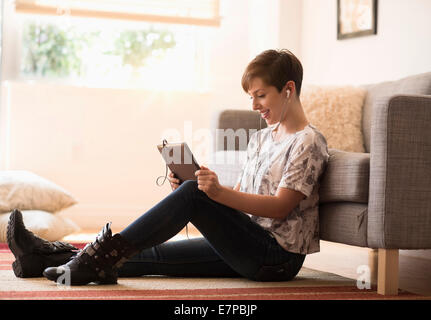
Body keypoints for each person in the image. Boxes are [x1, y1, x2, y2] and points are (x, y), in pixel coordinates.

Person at [7, 49, 329, 285]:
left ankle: (86, 260)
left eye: (261, 96)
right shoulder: (262, 139)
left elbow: (280, 208)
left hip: (276, 259)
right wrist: (213, 190)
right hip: (247, 243)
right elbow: (245, 200)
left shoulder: (308, 142)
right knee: (149, 256)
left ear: (288, 89)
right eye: (251, 97)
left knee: (192, 194)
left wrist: (208, 194)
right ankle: (44, 256)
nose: (254, 106)